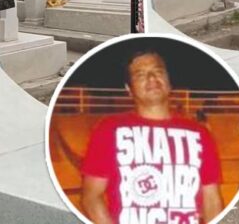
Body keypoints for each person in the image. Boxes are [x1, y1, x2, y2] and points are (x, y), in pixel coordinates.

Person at [81, 51, 223, 224]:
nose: (152, 78)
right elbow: (91, 197)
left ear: (169, 82)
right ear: (129, 89)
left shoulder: (199, 134)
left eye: (158, 71)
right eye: (140, 75)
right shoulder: (109, 129)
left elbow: (211, 199)